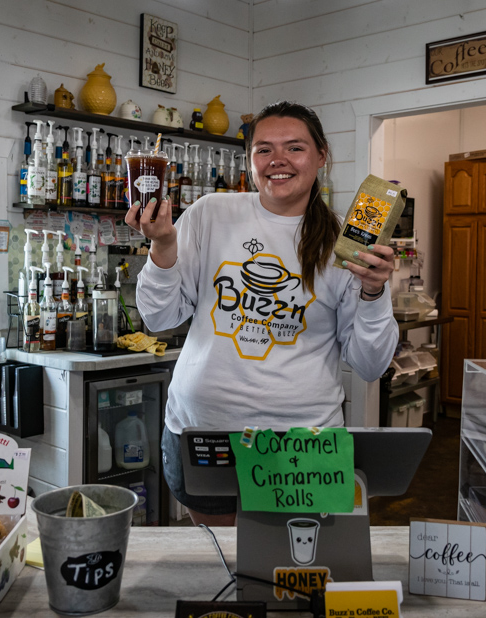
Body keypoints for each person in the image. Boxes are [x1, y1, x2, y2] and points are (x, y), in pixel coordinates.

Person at [125, 101, 397, 526]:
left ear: (322, 155)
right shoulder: (212, 213)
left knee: (293, 573)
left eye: (295, 148)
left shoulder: (347, 243)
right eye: (264, 150)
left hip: (301, 444)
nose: (278, 161)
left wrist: (374, 291)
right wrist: (161, 246)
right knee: (219, 571)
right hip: (203, 431)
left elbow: (369, 364)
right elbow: (160, 319)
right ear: (249, 160)